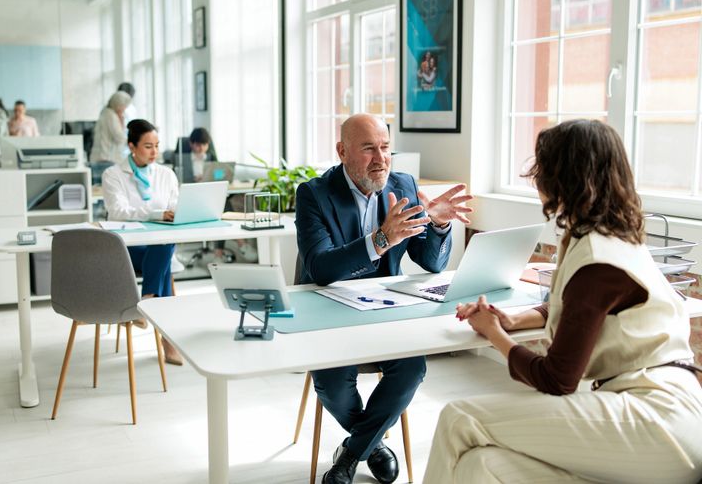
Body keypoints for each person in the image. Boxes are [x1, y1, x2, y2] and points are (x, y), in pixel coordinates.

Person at [424, 119, 702, 483]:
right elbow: (580, 308)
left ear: (564, 177)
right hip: (665, 415)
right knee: (482, 466)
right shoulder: (612, 237)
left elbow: (557, 380)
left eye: (542, 168)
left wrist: (494, 333)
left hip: (657, 420)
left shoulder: (599, 259)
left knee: (460, 419)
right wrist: (512, 321)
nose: (536, 177)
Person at [295, 113, 473, 484]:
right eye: (368, 149)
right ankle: (371, 446)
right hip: (328, 309)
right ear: (342, 152)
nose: (381, 159)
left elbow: (431, 261)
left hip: (385, 309)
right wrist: (380, 240)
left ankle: (349, 456)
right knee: (331, 381)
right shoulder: (314, 194)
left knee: (412, 368)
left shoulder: (403, 184)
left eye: (386, 148)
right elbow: (321, 267)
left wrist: (438, 224)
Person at [101, 119, 184, 366]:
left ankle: (146, 301)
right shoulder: (113, 175)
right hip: (126, 251)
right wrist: (157, 213)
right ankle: (168, 341)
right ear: (131, 146)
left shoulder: (166, 175)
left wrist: (175, 213)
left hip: (157, 247)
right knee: (164, 258)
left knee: (164, 244)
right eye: (148, 146)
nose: (154, 152)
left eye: (157, 146)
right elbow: (118, 211)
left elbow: (175, 206)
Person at [90, 90, 131, 165]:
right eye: (124, 106)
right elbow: (119, 137)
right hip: (106, 158)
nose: (124, 109)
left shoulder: (106, 112)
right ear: (119, 105)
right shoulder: (111, 115)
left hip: (104, 157)